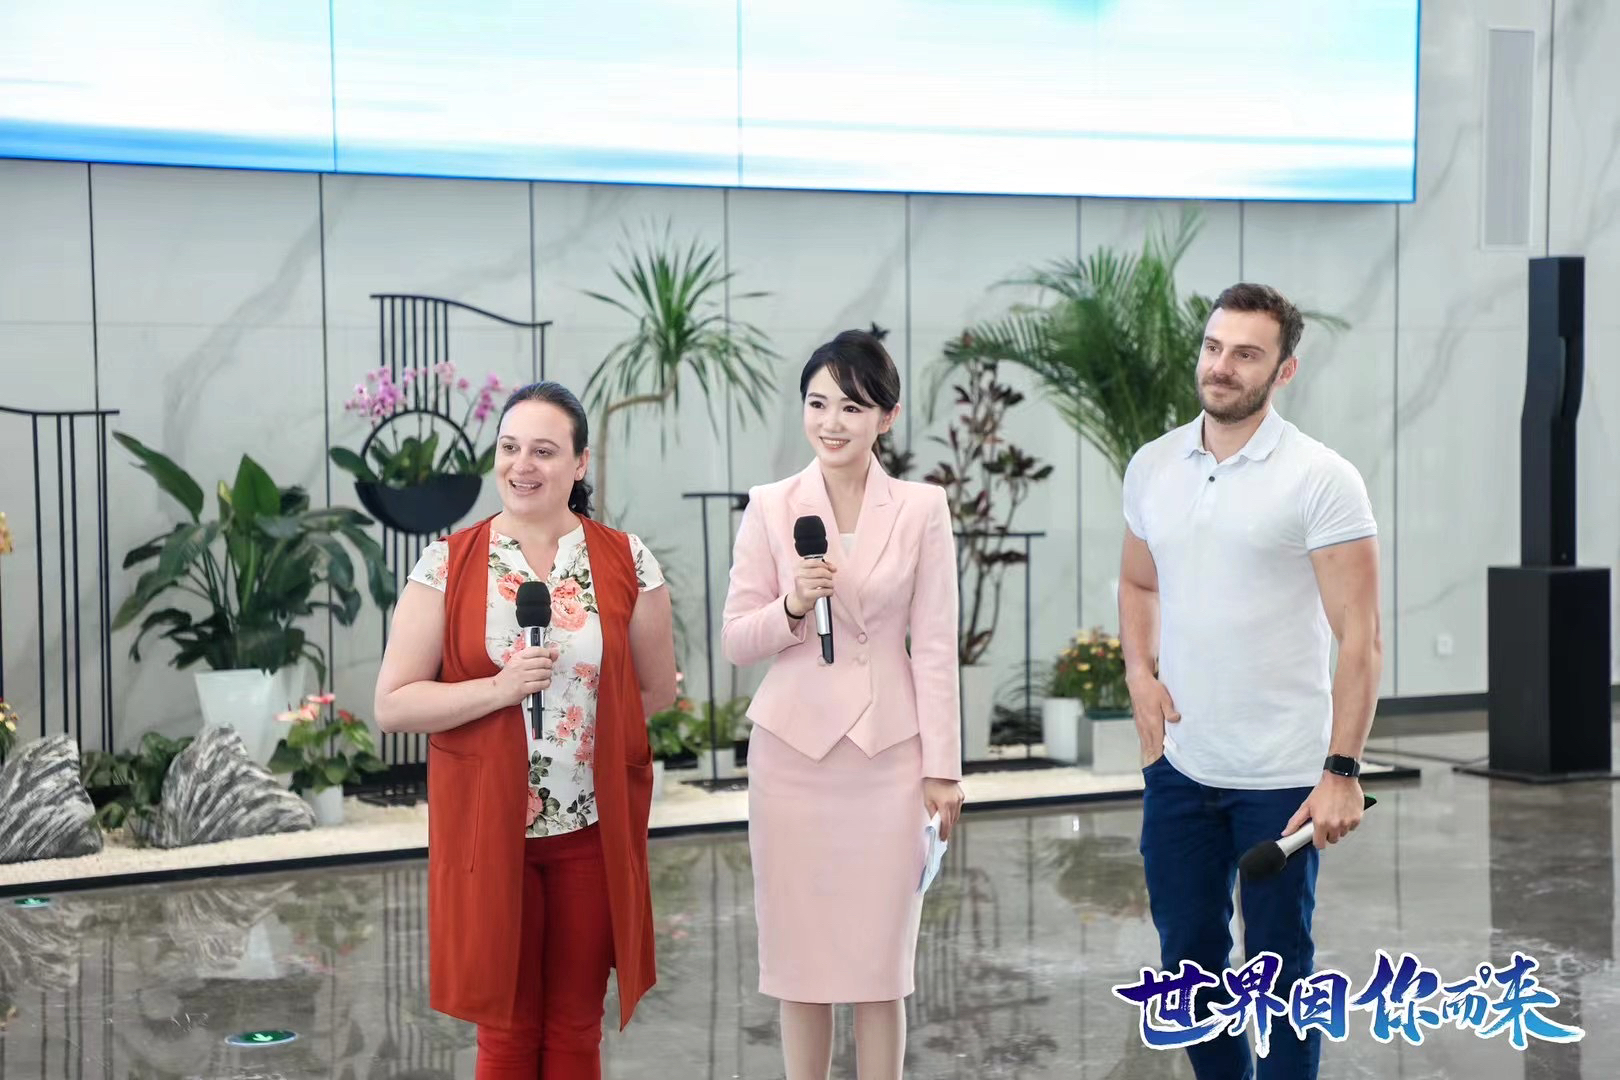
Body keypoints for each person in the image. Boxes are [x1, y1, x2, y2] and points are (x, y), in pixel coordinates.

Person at [374, 381, 677, 1080]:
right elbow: (393, 704)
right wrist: (499, 689)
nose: (522, 465)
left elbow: (655, 689)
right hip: (489, 831)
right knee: (506, 1033)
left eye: (544, 450)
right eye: (510, 447)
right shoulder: (447, 563)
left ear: (579, 463)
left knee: (574, 1028)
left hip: (590, 831)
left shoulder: (627, 559)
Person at [1119, 284, 1382, 1079]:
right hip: (1181, 768)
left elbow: (1361, 639)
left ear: (1284, 369)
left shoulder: (1321, 478)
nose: (1221, 366)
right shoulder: (1154, 465)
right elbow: (1138, 582)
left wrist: (1342, 771)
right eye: (1213, 347)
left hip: (1283, 778)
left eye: (1245, 354)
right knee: (1187, 966)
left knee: (1280, 971)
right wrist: (1139, 673)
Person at [722, 329, 966, 1080]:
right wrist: (793, 605)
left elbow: (935, 644)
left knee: (880, 965)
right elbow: (736, 639)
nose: (831, 422)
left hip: (890, 758)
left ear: (886, 417)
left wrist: (943, 768)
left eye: (852, 407)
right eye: (817, 403)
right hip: (792, 759)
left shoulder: (922, 507)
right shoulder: (771, 506)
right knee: (799, 964)